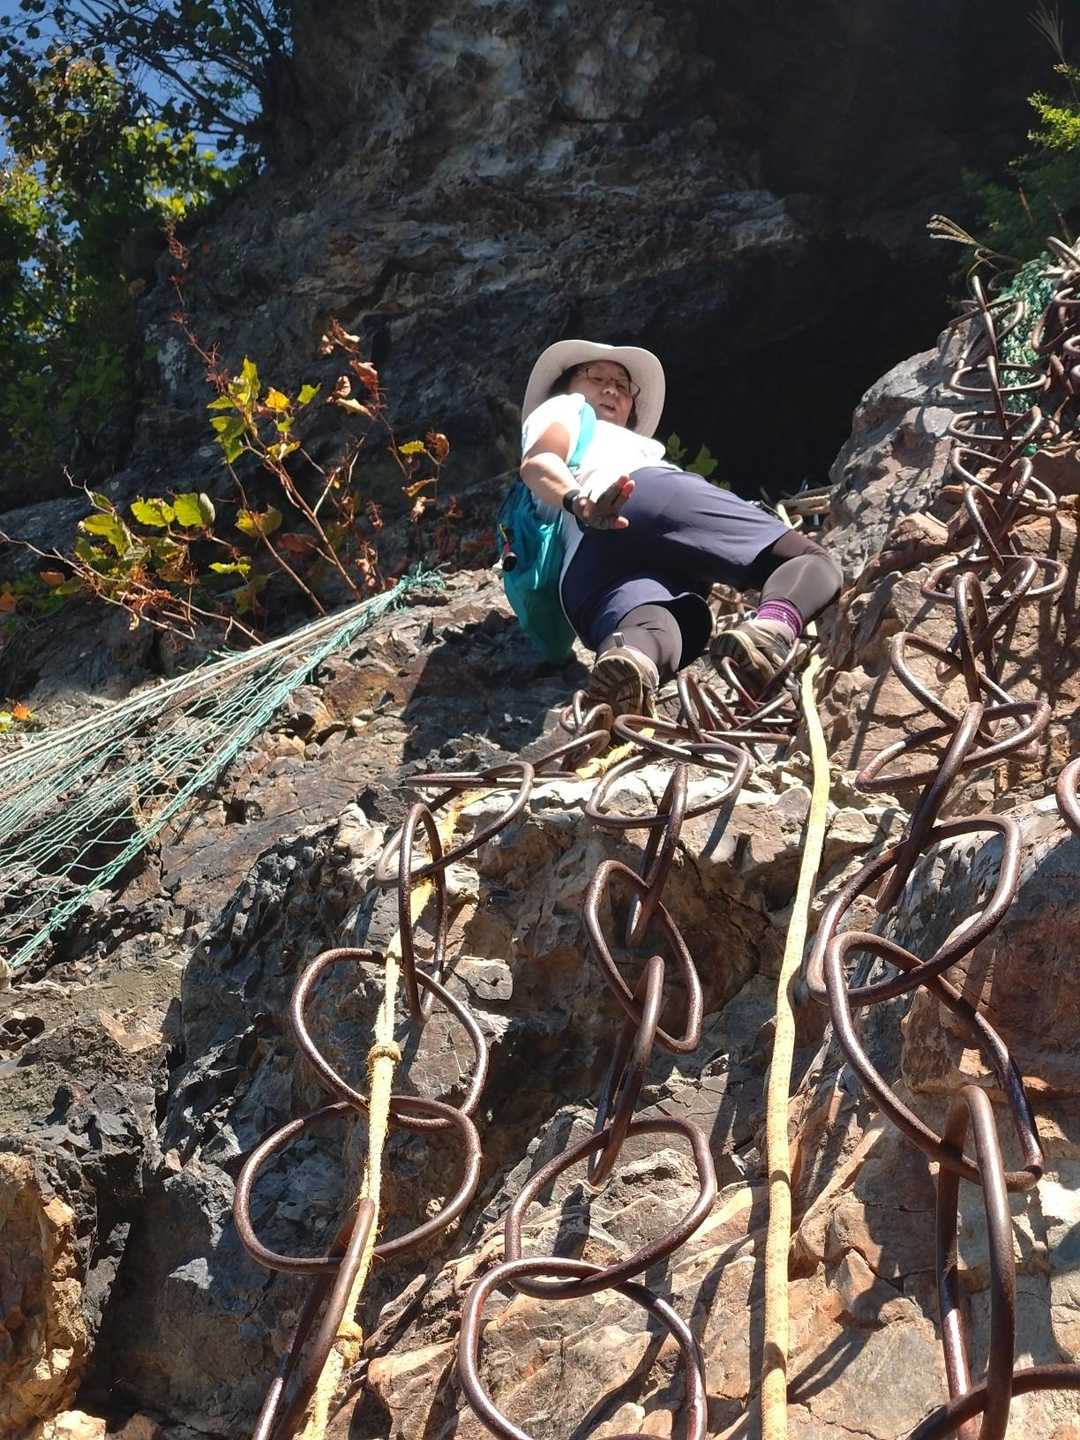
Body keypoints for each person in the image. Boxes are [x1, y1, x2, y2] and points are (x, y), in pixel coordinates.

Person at [518, 339, 843, 716]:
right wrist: (580, 501)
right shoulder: (567, 407)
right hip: (642, 495)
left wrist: (581, 508)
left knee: (661, 626)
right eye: (596, 377)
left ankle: (630, 662)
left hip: (583, 571)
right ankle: (770, 630)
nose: (611, 389)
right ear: (566, 388)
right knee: (809, 560)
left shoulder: (548, 487)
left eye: (623, 385)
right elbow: (539, 461)